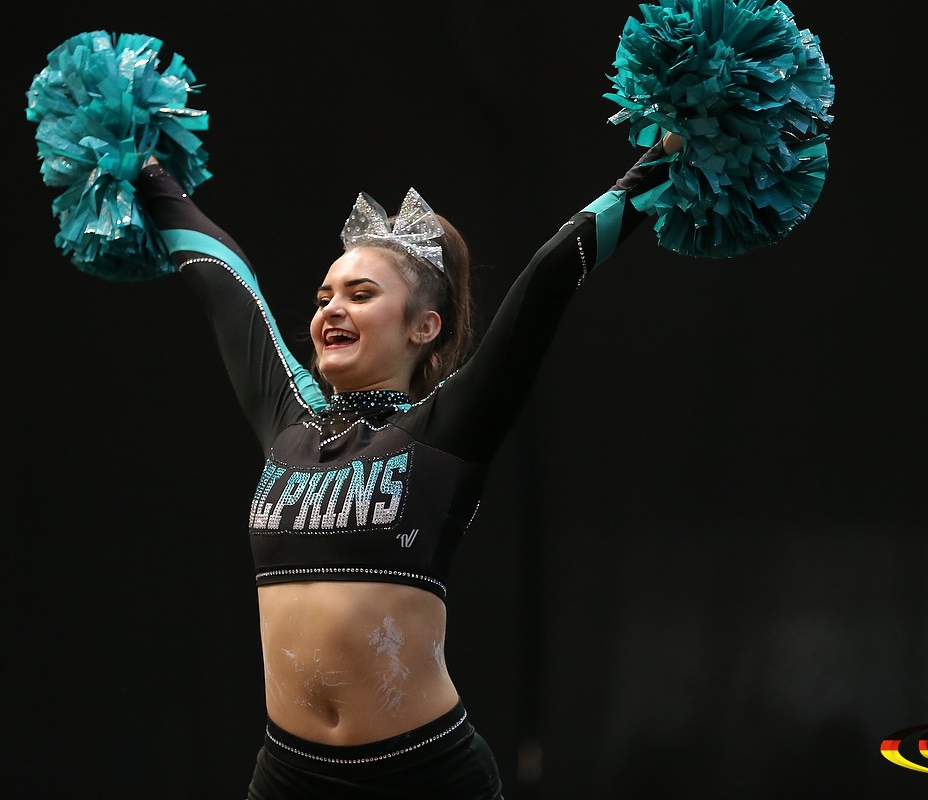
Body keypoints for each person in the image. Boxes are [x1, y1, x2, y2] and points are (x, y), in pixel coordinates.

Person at [129, 133, 678, 799]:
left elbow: (551, 273)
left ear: (425, 327)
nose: (331, 309)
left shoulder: (447, 427)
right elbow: (221, 276)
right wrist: (142, 163)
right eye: (324, 297)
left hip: (423, 774)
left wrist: (670, 152)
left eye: (360, 295)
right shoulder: (288, 418)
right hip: (290, 775)